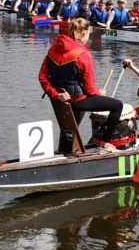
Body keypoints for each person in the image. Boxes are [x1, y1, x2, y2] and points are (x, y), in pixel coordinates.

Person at [38, 18, 123, 152]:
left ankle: (66, 149)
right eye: (88, 32)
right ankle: (106, 143)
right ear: (83, 32)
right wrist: (99, 93)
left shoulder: (53, 49)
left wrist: (56, 94)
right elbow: (89, 88)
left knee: (71, 121)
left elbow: (42, 77)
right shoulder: (83, 54)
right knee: (117, 106)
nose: (88, 35)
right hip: (77, 100)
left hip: (60, 101)